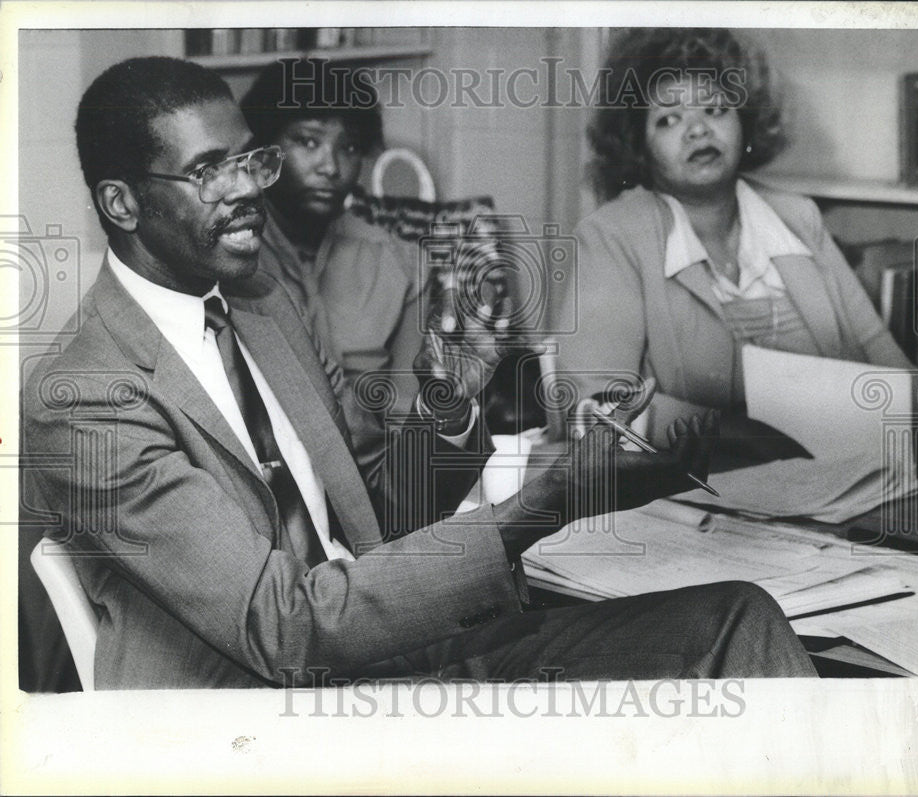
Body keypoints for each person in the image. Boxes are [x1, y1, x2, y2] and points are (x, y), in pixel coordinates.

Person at [20, 56, 816, 691]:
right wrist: (537, 508)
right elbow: (283, 627)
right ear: (121, 204)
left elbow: (375, 517)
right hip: (268, 715)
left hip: (401, 651)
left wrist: (451, 408)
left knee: (735, 621)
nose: (249, 191)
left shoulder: (259, 304)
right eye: (208, 173)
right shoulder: (86, 396)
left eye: (249, 161)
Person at [553, 28, 913, 456]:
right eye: (669, 119)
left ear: (745, 122)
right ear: (639, 146)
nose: (698, 131)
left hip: (843, 476)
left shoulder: (798, 216)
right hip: (692, 493)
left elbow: (883, 359)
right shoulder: (612, 236)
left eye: (716, 109)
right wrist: (751, 439)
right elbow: (596, 410)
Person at [240, 59, 427, 415]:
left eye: (350, 147)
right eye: (308, 142)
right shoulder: (228, 258)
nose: (331, 167)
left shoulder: (402, 262)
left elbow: (407, 412)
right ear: (262, 149)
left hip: (378, 465)